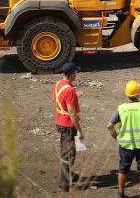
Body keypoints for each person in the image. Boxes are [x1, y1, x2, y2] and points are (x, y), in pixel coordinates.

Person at [107, 80, 140, 198]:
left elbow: (110, 126)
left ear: (126, 93)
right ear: (138, 93)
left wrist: (116, 136)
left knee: (123, 169)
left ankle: (120, 193)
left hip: (125, 145)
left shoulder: (120, 109)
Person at [53, 62, 84, 192]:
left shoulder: (58, 85)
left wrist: (74, 96)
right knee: (69, 154)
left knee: (66, 151)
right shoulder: (70, 90)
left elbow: (60, 100)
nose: (77, 74)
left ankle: (69, 174)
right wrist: (79, 130)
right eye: (76, 72)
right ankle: (64, 182)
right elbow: (71, 112)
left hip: (60, 121)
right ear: (71, 74)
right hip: (68, 125)